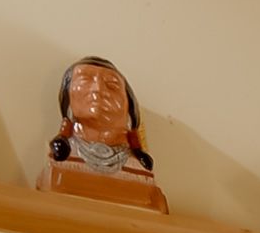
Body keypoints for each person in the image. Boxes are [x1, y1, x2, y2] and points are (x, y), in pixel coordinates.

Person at [41, 55, 167, 210]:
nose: (98, 89)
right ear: (67, 97)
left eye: (112, 85)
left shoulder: (139, 167)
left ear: (129, 107)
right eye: (85, 80)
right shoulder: (63, 158)